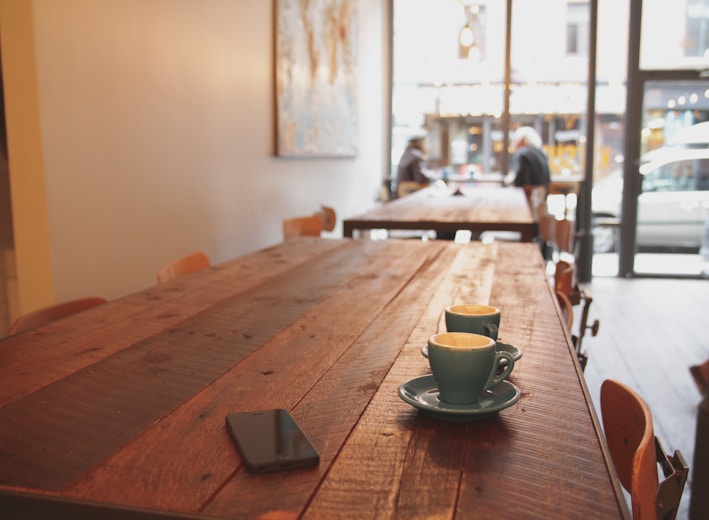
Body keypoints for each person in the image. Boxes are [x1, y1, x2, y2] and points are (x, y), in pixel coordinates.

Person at [510, 126, 551, 198]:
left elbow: (520, 180)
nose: (513, 144)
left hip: (527, 199)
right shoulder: (541, 153)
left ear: (522, 140)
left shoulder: (522, 153)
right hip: (541, 198)